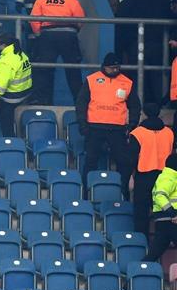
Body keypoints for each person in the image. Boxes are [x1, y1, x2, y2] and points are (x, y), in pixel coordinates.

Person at [76, 53, 142, 198]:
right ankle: (86, 193)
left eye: (117, 67)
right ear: (104, 66)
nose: (115, 70)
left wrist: (132, 125)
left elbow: (135, 106)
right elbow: (81, 104)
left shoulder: (127, 82)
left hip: (117, 129)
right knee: (91, 161)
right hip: (94, 128)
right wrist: (83, 125)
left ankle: (122, 191)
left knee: (123, 162)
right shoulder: (92, 80)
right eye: (112, 68)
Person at [117, 0, 173, 103]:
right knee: (157, 76)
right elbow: (169, 15)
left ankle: (138, 105)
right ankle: (158, 107)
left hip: (137, 43)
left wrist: (125, 42)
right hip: (158, 43)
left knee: (137, 76)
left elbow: (121, 15)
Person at [29, 0, 84, 105]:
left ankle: (44, 102)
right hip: (68, 36)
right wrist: (74, 31)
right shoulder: (71, 0)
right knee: (73, 70)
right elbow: (81, 19)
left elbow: (34, 18)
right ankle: (79, 102)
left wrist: (39, 33)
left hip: (47, 36)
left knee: (45, 70)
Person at [129, 103, 174, 237]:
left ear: (144, 114)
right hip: (164, 177)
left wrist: (130, 177)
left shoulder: (137, 133)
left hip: (144, 176)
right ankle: (165, 239)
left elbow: (131, 158)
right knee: (163, 212)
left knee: (141, 212)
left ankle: (141, 242)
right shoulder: (169, 133)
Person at [145, 153, 177, 261]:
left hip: (165, 221)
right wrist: (173, 213)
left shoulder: (168, 176)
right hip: (171, 220)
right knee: (154, 252)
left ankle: (140, 271)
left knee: (154, 253)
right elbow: (160, 196)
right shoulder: (169, 177)